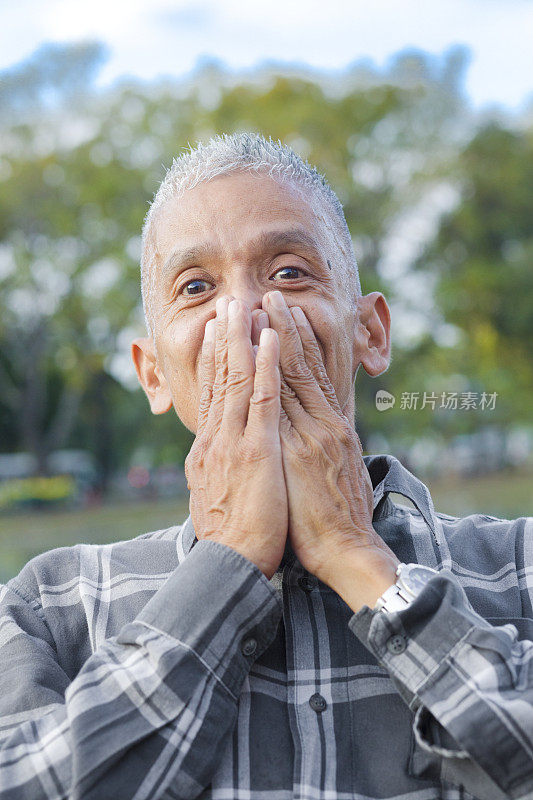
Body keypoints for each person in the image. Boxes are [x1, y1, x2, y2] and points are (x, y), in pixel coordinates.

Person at [0, 133, 531, 800]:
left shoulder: (519, 565)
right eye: (196, 287)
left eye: (288, 273)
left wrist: (355, 557)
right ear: (154, 373)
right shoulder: (50, 606)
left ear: (370, 332)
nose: (247, 315)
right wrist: (225, 564)